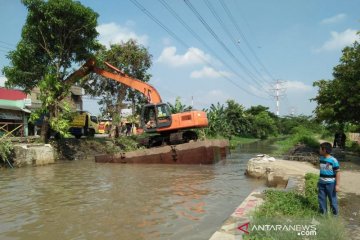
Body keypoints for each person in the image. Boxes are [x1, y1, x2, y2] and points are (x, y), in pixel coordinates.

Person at [318, 142, 340, 216]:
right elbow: (326, 169)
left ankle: (335, 216)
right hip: (321, 183)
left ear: (324, 150)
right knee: (321, 199)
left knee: (332, 200)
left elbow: (337, 173)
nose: (319, 150)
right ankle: (323, 214)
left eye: (320, 149)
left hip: (330, 184)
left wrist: (337, 185)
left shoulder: (333, 160)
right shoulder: (321, 158)